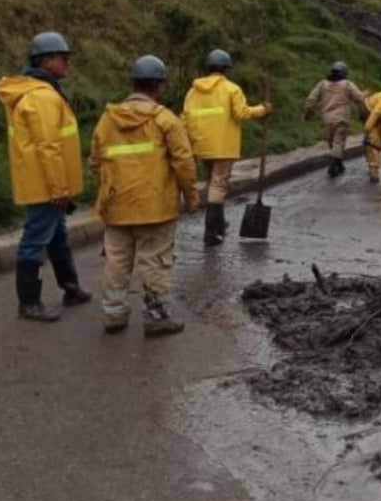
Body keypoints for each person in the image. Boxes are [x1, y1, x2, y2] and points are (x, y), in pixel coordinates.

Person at [91, 55, 200, 336]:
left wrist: (108, 189)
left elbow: (95, 161)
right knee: (155, 260)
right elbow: (184, 162)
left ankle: (113, 315)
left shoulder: (108, 119)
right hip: (155, 206)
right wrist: (191, 195)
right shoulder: (165, 119)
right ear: (159, 86)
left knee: (117, 260)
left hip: (116, 206)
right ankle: (156, 317)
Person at [0, 31, 92, 322]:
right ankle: (29, 302)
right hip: (46, 184)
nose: (67, 64)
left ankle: (70, 287)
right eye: (63, 58)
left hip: (42, 181)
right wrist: (60, 188)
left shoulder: (37, 92)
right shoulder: (41, 97)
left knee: (57, 235)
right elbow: (48, 146)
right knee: (35, 240)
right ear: (46, 60)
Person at [182, 49, 272, 246]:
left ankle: (220, 224)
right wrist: (263, 109)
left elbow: (185, 118)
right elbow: (241, 113)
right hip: (223, 146)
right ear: (226, 69)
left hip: (201, 145)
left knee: (212, 182)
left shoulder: (192, 91)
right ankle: (210, 232)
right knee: (219, 185)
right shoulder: (231, 89)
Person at [302, 61, 366, 178]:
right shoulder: (347, 84)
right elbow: (359, 98)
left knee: (332, 142)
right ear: (344, 73)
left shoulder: (322, 84)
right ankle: (334, 163)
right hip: (341, 118)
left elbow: (311, 99)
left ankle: (338, 163)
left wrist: (307, 111)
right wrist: (364, 99)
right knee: (338, 142)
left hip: (327, 119)